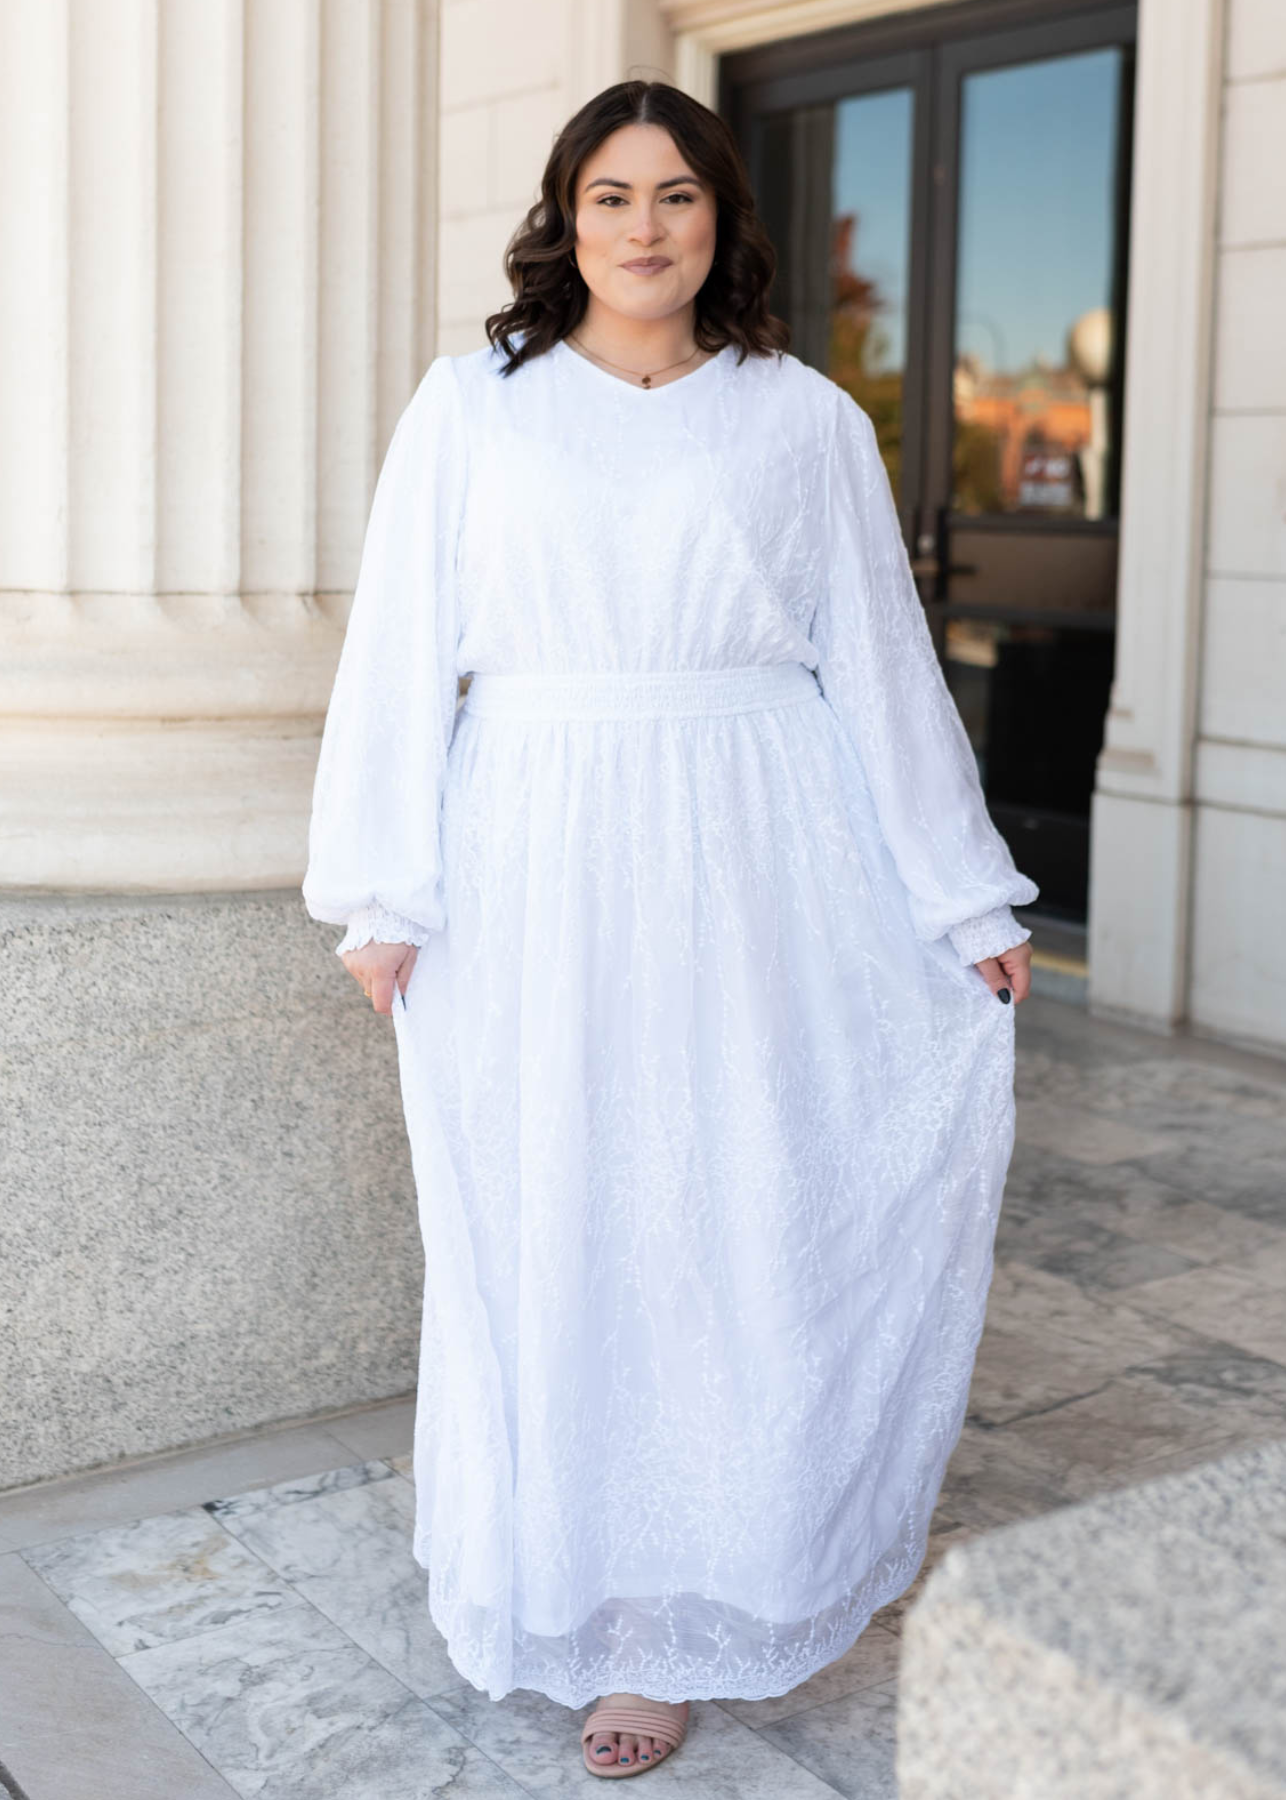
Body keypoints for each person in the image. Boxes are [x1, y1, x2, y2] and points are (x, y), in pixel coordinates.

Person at [302, 77, 1037, 1782]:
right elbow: (402, 648)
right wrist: (380, 888)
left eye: (678, 197)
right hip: (535, 856)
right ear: (565, 219)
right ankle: (595, 1608)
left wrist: (959, 889)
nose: (645, 228)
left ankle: (724, 1585)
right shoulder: (473, 405)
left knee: (735, 1208)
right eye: (612, 196)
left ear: (724, 221)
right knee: (556, 1222)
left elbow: (873, 660)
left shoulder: (800, 418)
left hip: (761, 848)